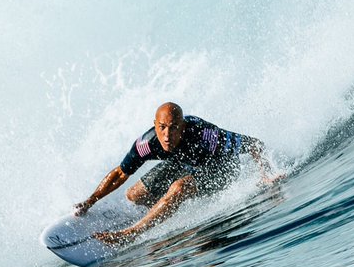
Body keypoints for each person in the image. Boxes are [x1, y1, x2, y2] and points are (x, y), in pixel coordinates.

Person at [74, 102, 283, 246]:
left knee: (179, 187)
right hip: (185, 164)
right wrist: (90, 201)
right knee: (134, 194)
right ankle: (161, 210)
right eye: (162, 128)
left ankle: (132, 233)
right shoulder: (148, 144)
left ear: (182, 127)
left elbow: (254, 144)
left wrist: (266, 174)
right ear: (155, 125)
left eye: (173, 128)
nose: (167, 135)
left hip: (221, 168)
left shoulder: (204, 135)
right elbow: (120, 173)